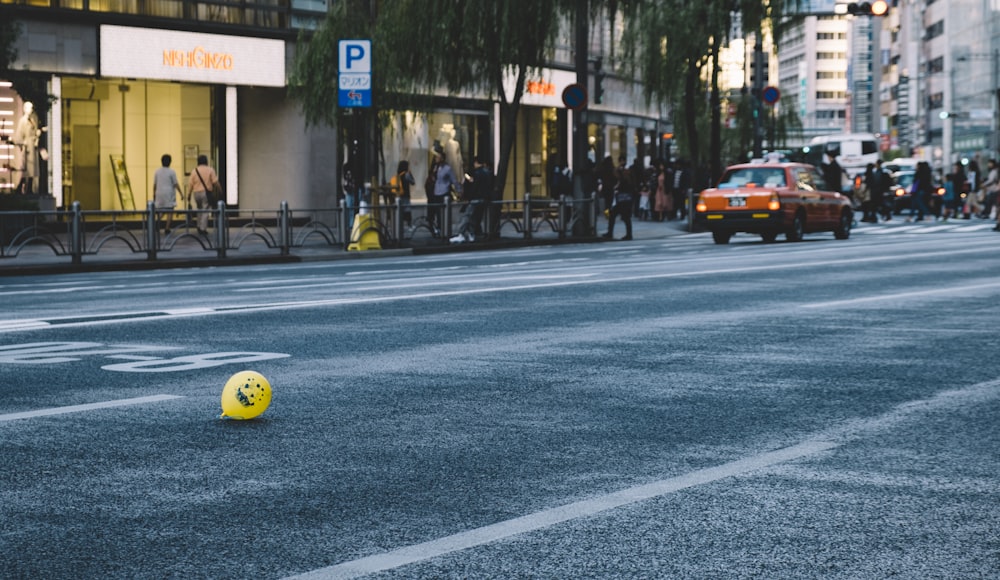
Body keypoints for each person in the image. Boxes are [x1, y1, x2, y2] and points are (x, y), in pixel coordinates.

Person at [451, 156, 493, 243]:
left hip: (476, 198)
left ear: (476, 163)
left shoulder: (477, 173)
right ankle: (471, 234)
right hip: (484, 199)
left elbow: (474, 187)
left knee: (467, 216)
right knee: (475, 217)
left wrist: (469, 197)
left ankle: (461, 234)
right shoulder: (488, 173)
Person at [12, 101, 42, 195]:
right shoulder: (23, 120)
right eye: (29, 108)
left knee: (33, 168)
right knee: (27, 168)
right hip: (27, 146)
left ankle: (32, 188)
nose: (31, 110)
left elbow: (35, 130)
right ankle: (25, 187)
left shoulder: (34, 119)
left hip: (33, 145)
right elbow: (19, 135)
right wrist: (21, 143)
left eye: (31, 108)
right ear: (25, 109)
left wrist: (37, 136)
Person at [428, 147, 459, 237]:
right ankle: (438, 228)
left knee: (443, 211)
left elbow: (453, 180)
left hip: (444, 191)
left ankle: (444, 229)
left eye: (438, 157)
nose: (436, 159)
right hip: (436, 191)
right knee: (437, 211)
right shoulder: (435, 167)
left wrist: (458, 190)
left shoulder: (447, 168)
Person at [187, 154, 219, 236]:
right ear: (206, 161)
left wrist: (189, 194)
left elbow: (190, 184)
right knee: (205, 210)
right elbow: (215, 182)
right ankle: (203, 228)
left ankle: (198, 225)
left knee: (199, 209)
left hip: (196, 193)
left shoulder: (194, 171)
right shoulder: (210, 170)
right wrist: (220, 190)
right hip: (206, 193)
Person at [602, 159, 634, 240]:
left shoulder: (622, 180)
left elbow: (621, 187)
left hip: (621, 200)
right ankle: (628, 234)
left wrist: (617, 188)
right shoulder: (626, 178)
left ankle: (611, 233)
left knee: (615, 216)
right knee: (625, 217)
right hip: (625, 200)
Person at [153, 153, 183, 234]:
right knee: (170, 210)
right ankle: (167, 228)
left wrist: (154, 194)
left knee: (161, 210)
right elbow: (175, 183)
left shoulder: (157, 171)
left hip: (159, 193)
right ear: (170, 162)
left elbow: (155, 184)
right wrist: (181, 193)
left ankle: (156, 223)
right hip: (169, 193)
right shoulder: (171, 172)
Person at [391, 160, 416, 227]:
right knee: (407, 210)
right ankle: (409, 224)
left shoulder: (398, 175)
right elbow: (413, 182)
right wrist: (410, 174)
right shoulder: (406, 174)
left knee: (400, 210)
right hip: (405, 195)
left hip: (398, 196)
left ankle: (399, 224)